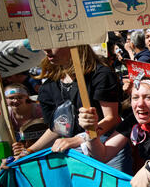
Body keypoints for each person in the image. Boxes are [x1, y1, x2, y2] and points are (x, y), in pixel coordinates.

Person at [17, 45, 130, 173]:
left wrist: (78, 139)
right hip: (75, 155)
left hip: (109, 147)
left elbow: (112, 118)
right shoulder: (48, 86)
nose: (46, 49)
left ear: (74, 44)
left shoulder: (100, 75)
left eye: (53, 44)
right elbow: (57, 128)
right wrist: (29, 151)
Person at [3, 83, 46, 156]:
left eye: (20, 97)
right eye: (11, 98)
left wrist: (27, 149)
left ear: (27, 97)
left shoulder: (39, 110)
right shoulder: (5, 114)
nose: (15, 100)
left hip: (40, 144)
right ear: (5, 99)